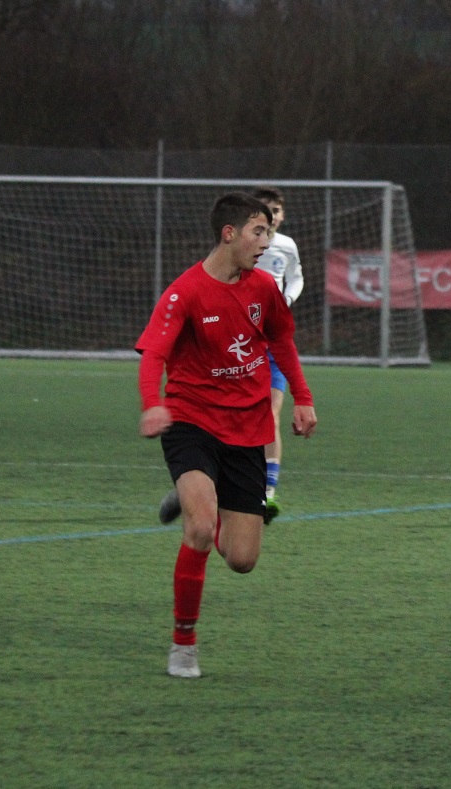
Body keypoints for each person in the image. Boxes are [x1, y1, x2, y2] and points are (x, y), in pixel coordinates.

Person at [137, 192, 318, 679]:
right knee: (198, 528)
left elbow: (281, 340)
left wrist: (302, 397)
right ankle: (184, 643)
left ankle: (198, 503)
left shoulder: (263, 288)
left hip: (248, 427)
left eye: (269, 232)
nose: (267, 241)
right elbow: (154, 353)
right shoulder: (186, 292)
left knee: (242, 560)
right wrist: (152, 404)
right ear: (229, 234)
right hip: (191, 421)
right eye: (259, 232)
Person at [251, 186, 304, 521]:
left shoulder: (286, 246)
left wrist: (285, 300)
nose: (272, 213)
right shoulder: (242, 244)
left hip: (274, 339)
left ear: (281, 215)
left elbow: (297, 279)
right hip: (242, 339)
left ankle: (268, 492)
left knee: (271, 413)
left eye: (276, 209)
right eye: (265, 207)